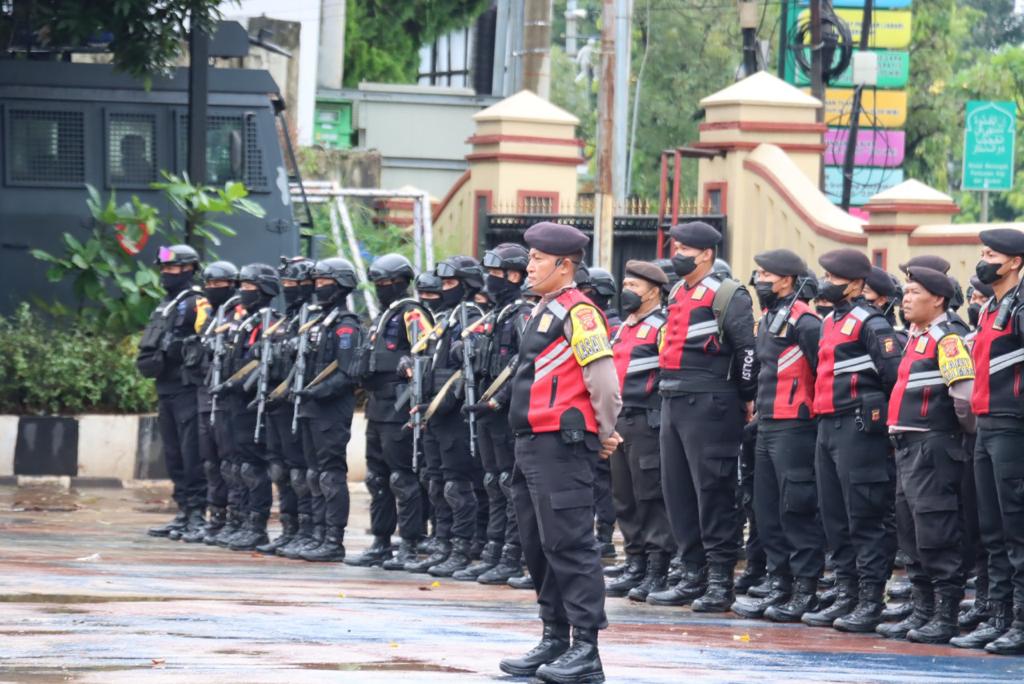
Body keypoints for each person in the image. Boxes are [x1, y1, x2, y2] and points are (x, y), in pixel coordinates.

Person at [499, 222, 621, 684]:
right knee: (538, 544)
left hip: (561, 445)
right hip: (532, 443)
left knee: (570, 544)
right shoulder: (541, 310)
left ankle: (586, 649)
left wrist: (604, 430)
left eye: (537, 259)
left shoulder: (580, 313)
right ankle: (554, 636)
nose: (528, 266)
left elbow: (603, 380)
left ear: (564, 265)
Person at [647, 221, 758, 613]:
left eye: (685, 249)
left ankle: (719, 581)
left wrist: (747, 395)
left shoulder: (728, 294)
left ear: (707, 254)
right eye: (675, 247)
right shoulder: (678, 290)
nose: (677, 254)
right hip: (673, 398)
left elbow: (747, 351)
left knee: (713, 491)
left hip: (711, 401)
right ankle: (691, 573)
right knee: (677, 491)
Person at [801, 249, 902, 633]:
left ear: (857, 284)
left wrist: (881, 423)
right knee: (835, 517)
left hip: (858, 428)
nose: (826, 282)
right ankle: (846, 594)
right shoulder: (830, 321)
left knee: (864, 516)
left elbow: (894, 377)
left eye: (834, 277)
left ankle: (870, 600)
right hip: (828, 426)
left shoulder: (871, 323)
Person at [878, 265, 973, 644]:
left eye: (915, 292)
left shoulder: (947, 339)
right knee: (911, 532)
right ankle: (922, 612)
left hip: (932, 446)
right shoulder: (916, 338)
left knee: (936, 530)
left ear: (938, 300)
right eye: (905, 291)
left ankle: (945, 616)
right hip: (908, 447)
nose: (906, 299)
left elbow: (963, 397)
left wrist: (953, 435)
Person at [733, 249, 825, 622]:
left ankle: (805, 590)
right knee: (766, 510)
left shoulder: (806, 321)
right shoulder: (770, 318)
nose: (759, 280)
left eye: (765, 275)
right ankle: (779, 583)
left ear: (787, 280)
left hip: (796, 425)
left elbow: (823, 373)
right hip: (768, 424)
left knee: (796, 509)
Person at [954, 228, 1024, 654]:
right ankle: (1000, 618)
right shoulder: (991, 308)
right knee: (992, 530)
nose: (984, 260)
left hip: (1013, 425)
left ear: (1015, 262)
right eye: (983, 252)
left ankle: (1020, 623)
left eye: (992, 254)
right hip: (986, 424)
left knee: (1017, 529)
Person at [455, 243, 532, 584]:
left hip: (505, 412)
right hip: (487, 411)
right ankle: (494, 552)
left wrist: (498, 400)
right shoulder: (496, 315)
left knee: (507, 484)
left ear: (514, 276)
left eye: (496, 274)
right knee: (492, 482)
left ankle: (512, 556)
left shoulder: (522, 314)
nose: (490, 280)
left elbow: (525, 365)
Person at [353, 254, 432, 570]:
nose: (382, 287)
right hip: (377, 406)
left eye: (388, 282)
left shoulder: (412, 313)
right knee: (377, 478)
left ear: (402, 282)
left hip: (400, 408)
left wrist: (409, 363)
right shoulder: (383, 316)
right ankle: (381, 542)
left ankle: (410, 543)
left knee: (402, 478)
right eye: (378, 283)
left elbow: (427, 352)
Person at [605, 260, 677, 603]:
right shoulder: (623, 328)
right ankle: (634, 563)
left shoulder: (662, 326)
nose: (627, 292)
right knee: (624, 496)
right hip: (620, 419)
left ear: (653, 292)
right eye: (625, 285)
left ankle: (657, 568)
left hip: (647, 420)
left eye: (634, 286)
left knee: (650, 496)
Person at [413, 256, 486, 577]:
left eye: (450, 283)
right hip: (434, 414)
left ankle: (461, 547)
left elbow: (469, 368)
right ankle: (442, 544)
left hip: (455, 415)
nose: (443, 289)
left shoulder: (472, 317)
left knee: (457, 486)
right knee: (436, 482)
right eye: (442, 283)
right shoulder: (446, 319)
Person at [288, 258, 364, 563]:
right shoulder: (318, 323)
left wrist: (317, 391)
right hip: (309, 407)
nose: (318, 287)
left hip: (330, 411)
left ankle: (333, 539)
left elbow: (348, 373)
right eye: (316, 282)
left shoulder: (346, 326)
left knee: (330, 475)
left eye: (324, 282)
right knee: (313, 474)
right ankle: (316, 533)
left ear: (341, 285)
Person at [137, 244, 208, 538]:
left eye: (172, 267)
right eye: (164, 268)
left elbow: (208, 341)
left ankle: (198, 514)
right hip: (165, 388)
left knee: (192, 453)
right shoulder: (165, 305)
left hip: (187, 388)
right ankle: (183, 511)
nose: (166, 273)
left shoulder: (197, 303)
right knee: (173, 453)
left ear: (189, 269)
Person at [214, 263, 282, 551]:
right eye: (242, 287)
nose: (243, 292)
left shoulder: (270, 323)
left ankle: (256, 526)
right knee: (234, 465)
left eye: (250, 288)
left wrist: (240, 384)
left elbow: (266, 366)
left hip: (251, 404)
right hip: (232, 402)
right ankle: (238, 520)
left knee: (252, 467)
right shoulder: (242, 322)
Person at [257, 257, 315, 555]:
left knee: (300, 472)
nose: (289, 288)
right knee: (280, 470)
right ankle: (289, 528)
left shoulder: (314, 320)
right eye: (286, 283)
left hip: (298, 404)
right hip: (276, 404)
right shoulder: (284, 320)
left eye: (295, 283)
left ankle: (307, 529)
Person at [179, 261, 239, 544]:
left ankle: (236, 520)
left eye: (219, 285)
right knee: (211, 463)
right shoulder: (210, 315)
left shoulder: (238, 315)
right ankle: (216, 518)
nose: (213, 289)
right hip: (206, 394)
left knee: (230, 463)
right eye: (209, 285)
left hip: (227, 398)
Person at [577, 264, 619, 558]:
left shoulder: (611, 326)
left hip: (610, 409)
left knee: (603, 478)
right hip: (588, 407)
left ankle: (605, 535)